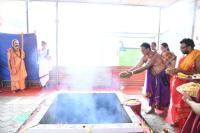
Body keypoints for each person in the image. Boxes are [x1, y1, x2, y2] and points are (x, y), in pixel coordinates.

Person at [120, 42, 170, 115]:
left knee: (164, 93)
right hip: (152, 77)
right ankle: (152, 109)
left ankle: (165, 112)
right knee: (150, 92)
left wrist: (131, 73)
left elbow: (145, 67)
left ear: (148, 49)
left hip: (162, 76)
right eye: (141, 50)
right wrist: (128, 71)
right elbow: (138, 65)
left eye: (143, 50)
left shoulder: (155, 56)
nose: (142, 52)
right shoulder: (145, 56)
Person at [167, 38, 200, 127]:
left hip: (190, 85)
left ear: (189, 47)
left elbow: (198, 73)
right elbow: (180, 70)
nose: (181, 49)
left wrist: (180, 70)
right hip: (179, 83)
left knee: (186, 103)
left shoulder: (197, 56)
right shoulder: (184, 57)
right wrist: (174, 71)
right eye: (181, 47)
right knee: (177, 103)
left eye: (183, 47)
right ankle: (178, 121)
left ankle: (186, 125)